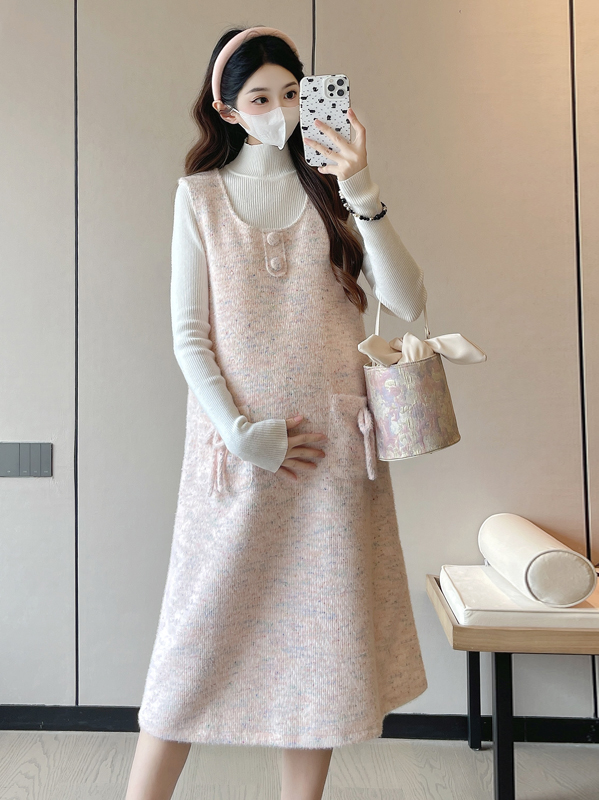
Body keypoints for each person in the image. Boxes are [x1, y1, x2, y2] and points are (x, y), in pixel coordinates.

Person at [124, 25, 429, 800]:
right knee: (193, 647)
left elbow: (408, 303)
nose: (281, 110)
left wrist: (363, 187)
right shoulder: (198, 197)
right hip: (237, 454)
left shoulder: (332, 190)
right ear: (227, 110)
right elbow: (189, 337)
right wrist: (238, 432)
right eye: (260, 98)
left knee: (319, 655)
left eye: (292, 93)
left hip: (332, 455)